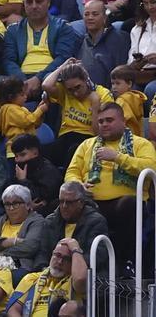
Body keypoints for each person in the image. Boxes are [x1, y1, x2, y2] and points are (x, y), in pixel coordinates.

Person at [65, 102, 156, 265]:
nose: (104, 125)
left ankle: (127, 263)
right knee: (59, 205)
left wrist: (118, 157)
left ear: (123, 122)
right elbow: (71, 172)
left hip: (124, 204)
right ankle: (69, 262)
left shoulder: (141, 143)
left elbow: (151, 168)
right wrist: (79, 186)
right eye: (100, 121)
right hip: (90, 202)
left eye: (109, 120)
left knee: (130, 204)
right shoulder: (87, 145)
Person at [6, 0, 79, 101]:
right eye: (29, 2)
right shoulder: (13, 30)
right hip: (20, 78)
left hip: (50, 76)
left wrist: (38, 78)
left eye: (39, 1)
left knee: (53, 84)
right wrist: (23, 82)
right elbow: (8, 60)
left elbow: (63, 58)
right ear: (24, 5)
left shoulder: (63, 27)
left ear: (48, 3)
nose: (34, 6)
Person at [42, 61, 112, 168]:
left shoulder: (103, 94)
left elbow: (99, 132)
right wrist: (63, 66)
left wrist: (95, 105)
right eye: (70, 90)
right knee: (38, 153)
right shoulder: (64, 92)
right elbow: (46, 85)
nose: (75, 93)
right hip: (66, 136)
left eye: (78, 87)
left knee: (73, 151)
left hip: (89, 138)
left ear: (86, 80)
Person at [7, 237, 87, 317]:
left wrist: (75, 249)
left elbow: (81, 279)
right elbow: (13, 309)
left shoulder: (74, 281)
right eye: (57, 255)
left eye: (66, 259)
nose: (60, 262)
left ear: (72, 262)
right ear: (52, 254)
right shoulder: (31, 278)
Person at [0, 184, 48, 278]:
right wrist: (7, 242)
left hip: (19, 267)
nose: (11, 208)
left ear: (28, 205)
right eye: (7, 204)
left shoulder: (37, 221)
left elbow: (30, 247)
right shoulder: (0, 221)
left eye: (16, 204)